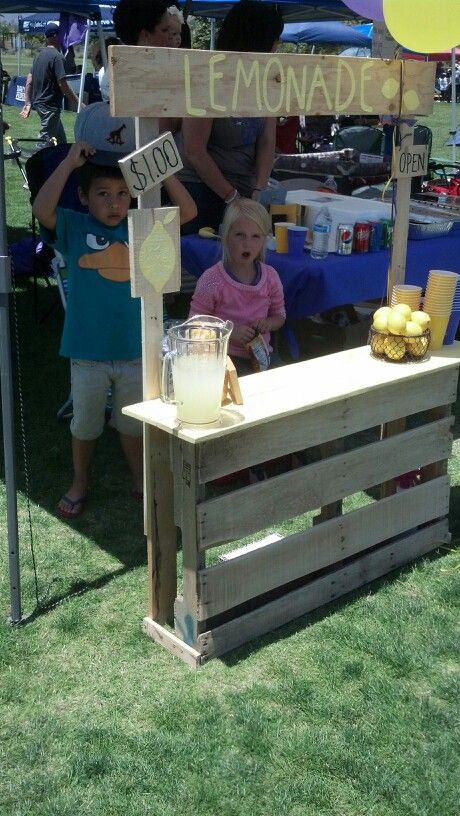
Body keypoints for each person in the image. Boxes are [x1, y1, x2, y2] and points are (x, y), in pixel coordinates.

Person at [32, 141, 196, 519]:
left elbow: (188, 211)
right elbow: (42, 208)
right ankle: (80, 481)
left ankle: (140, 478)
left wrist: (164, 172)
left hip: (136, 349)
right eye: (103, 194)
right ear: (83, 197)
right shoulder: (74, 226)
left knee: (131, 422)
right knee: (85, 425)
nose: (114, 203)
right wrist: (70, 164)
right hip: (87, 353)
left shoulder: (143, 226)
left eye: (123, 194)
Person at [177, 0, 284, 235]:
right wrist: (231, 197)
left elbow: (267, 141)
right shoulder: (208, 78)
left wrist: (258, 190)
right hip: (199, 190)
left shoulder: (266, 81)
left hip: (243, 190)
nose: (278, 45)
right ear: (258, 40)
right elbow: (194, 150)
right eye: (275, 38)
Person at [189, 198, 285, 376]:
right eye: (240, 235)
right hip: (222, 359)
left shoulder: (270, 276)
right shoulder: (212, 279)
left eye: (255, 236)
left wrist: (268, 324)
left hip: (262, 356)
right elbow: (195, 323)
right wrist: (228, 331)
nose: (247, 243)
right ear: (226, 236)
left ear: (264, 240)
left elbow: (280, 316)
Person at [20, 23, 80, 144]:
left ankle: (63, 159)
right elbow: (62, 84)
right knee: (44, 141)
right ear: (55, 36)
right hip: (50, 106)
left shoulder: (39, 56)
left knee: (60, 140)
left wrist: (27, 102)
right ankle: (36, 162)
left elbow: (29, 80)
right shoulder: (57, 57)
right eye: (61, 34)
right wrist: (77, 101)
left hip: (40, 104)